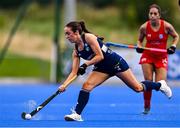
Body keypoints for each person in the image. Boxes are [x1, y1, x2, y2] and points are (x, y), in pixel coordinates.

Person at [58, 21, 172, 121]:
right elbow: (73, 72)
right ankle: (77, 114)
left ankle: (159, 85)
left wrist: (85, 65)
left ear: (77, 32)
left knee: (137, 88)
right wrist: (64, 85)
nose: (66, 36)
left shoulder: (89, 37)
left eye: (68, 33)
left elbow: (100, 56)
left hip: (115, 63)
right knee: (86, 86)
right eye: (65, 34)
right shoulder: (76, 51)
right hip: (102, 69)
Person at [136, 4, 179, 114]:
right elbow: (139, 41)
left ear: (159, 15)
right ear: (148, 15)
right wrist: (139, 47)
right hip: (148, 56)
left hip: (161, 57)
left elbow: (176, 36)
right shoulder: (144, 27)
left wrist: (173, 46)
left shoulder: (167, 26)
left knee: (160, 84)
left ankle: (162, 87)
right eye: (151, 13)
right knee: (148, 80)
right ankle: (146, 106)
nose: (153, 15)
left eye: (155, 14)